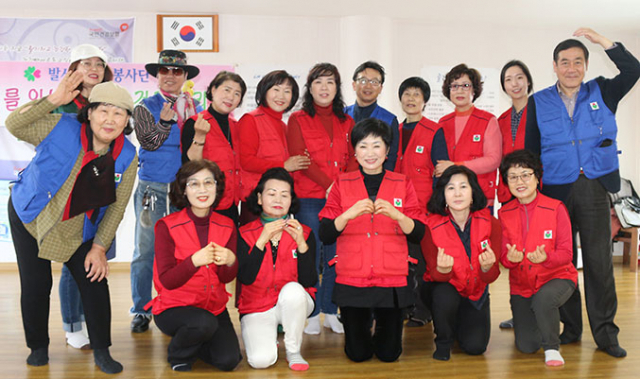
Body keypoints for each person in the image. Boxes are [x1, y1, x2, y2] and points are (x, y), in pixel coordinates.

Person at [6, 77, 137, 374]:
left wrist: (100, 247)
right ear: (89, 112)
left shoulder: (127, 156)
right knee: (36, 284)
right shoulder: (59, 126)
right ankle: (38, 347)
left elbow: (117, 208)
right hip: (31, 215)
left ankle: (102, 351)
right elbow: (15, 126)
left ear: (126, 120)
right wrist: (52, 100)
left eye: (119, 113)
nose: (110, 120)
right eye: (103, 110)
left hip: (79, 228)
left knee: (94, 281)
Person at [525, 27, 640, 358]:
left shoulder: (603, 91)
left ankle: (606, 335)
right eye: (564, 62)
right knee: (561, 263)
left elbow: (633, 70)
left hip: (594, 186)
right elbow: (531, 151)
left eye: (578, 61)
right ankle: (571, 329)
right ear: (555, 66)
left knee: (599, 263)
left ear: (586, 65)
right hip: (555, 191)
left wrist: (604, 42)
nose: (571, 68)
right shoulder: (539, 101)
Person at [318, 118, 426, 363]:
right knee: (358, 354)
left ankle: (385, 330)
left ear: (387, 151)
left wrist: (398, 215)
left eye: (376, 145)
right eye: (363, 146)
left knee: (389, 354)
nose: (370, 153)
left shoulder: (402, 182)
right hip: (353, 278)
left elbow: (418, 233)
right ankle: (363, 328)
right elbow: (326, 233)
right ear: (354, 151)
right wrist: (349, 214)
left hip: (392, 278)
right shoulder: (341, 183)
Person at [130, 50, 203, 333]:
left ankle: (177, 302)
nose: (170, 76)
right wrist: (164, 121)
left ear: (185, 77)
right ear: (157, 75)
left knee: (184, 251)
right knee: (145, 250)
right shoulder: (145, 107)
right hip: (153, 187)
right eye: (165, 71)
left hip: (185, 189)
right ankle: (141, 309)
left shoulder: (195, 108)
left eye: (177, 72)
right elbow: (148, 142)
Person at [145, 160, 242, 372]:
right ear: (183, 190)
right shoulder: (166, 226)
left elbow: (227, 278)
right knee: (202, 324)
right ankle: (178, 354)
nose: (202, 189)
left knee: (229, 360)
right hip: (174, 308)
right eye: (194, 184)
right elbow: (167, 281)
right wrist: (194, 261)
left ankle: (195, 343)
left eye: (209, 182)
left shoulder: (227, 225)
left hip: (213, 307)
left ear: (217, 187)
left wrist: (231, 260)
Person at [52, 43, 114, 350]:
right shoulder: (62, 103)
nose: (94, 69)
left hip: (100, 189)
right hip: (70, 194)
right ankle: (73, 326)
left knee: (97, 257)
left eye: (99, 64)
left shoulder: (109, 101)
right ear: (74, 68)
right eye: (86, 63)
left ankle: (91, 323)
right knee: (72, 261)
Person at [287, 63, 354, 335]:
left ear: (337, 88)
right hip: (309, 198)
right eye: (318, 82)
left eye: (330, 82)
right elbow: (300, 158)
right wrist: (329, 185)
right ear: (310, 87)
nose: (324, 88)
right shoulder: (298, 119)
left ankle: (330, 309)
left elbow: (353, 158)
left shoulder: (347, 120)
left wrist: (339, 188)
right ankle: (312, 313)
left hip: (340, 202)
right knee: (311, 257)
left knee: (335, 257)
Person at [498, 149, 577, 366]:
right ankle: (543, 319)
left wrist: (546, 259)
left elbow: (567, 254)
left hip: (557, 277)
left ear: (537, 177)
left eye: (526, 174)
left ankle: (552, 348)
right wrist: (510, 260)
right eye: (512, 177)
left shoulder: (556, 208)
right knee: (527, 346)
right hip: (522, 285)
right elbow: (503, 257)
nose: (519, 181)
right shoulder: (504, 213)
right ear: (506, 182)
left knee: (544, 300)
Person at [237, 168, 317, 371]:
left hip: (293, 302)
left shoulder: (304, 232)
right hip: (257, 304)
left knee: (293, 290)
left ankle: (293, 351)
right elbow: (245, 278)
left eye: (284, 195)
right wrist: (262, 240)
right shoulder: (244, 233)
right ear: (259, 197)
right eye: (271, 194)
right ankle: (269, 337)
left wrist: (301, 244)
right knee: (261, 361)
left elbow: (309, 281)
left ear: (291, 200)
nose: (278, 199)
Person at [421, 165, 501, 361]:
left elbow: (492, 275)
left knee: (475, 348)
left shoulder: (492, 223)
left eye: (463, 187)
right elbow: (433, 274)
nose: (457, 193)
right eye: (450, 188)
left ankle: (458, 323)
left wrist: (487, 267)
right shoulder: (429, 227)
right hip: (446, 288)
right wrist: (442, 270)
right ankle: (443, 341)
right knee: (443, 293)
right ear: (443, 195)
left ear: (473, 192)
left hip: (476, 292)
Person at [396, 76, 449, 327]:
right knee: (401, 260)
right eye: (407, 94)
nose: (411, 99)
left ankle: (423, 310)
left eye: (417, 94)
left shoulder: (434, 130)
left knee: (421, 261)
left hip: (423, 207)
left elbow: (441, 172)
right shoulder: (394, 130)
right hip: (396, 206)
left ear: (425, 100)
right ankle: (404, 305)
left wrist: (436, 206)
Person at [238, 70, 310, 225]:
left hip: (280, 203)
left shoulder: (284, 126)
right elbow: (246, 161)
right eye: (276, 90)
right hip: (256, 202)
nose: (281, 96)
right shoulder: (250, 120)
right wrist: (284, 166)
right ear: (264, 91)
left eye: (287, 91)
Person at [496, 60, 534, 330]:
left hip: (535, 193)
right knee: (514, 254)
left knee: (537, 253)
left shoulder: (541, 112)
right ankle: (519, 311)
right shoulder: (501, 120)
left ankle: (540, 311)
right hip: (510, 194)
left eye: (519, 78)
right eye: (509, 80)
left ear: (528, 81)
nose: (515, 84)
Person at [182, 71, 247, 224]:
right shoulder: (196, 122)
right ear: (213, 90)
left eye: (237, 94)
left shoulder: (236, 126)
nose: (231, 97)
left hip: (231, 204)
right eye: (227, 90)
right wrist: (199, 136)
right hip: (205, 204)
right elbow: (189, 166)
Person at [435, 64, 502, 210]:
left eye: (465, 85)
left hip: (480, 197)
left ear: (474, 90)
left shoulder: (488, 120)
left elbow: (493, 160)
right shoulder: (442, 123)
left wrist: (456, 166)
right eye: (454, 86)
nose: (460, 90)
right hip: (451, 198)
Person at [345, 61, 399, 171]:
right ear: (354, 85)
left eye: (374, 82)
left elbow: (391, 158)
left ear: (380, 88)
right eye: (363, 81)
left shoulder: (389, 120)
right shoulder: (341, 115)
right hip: (344, 179)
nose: (368, 86)